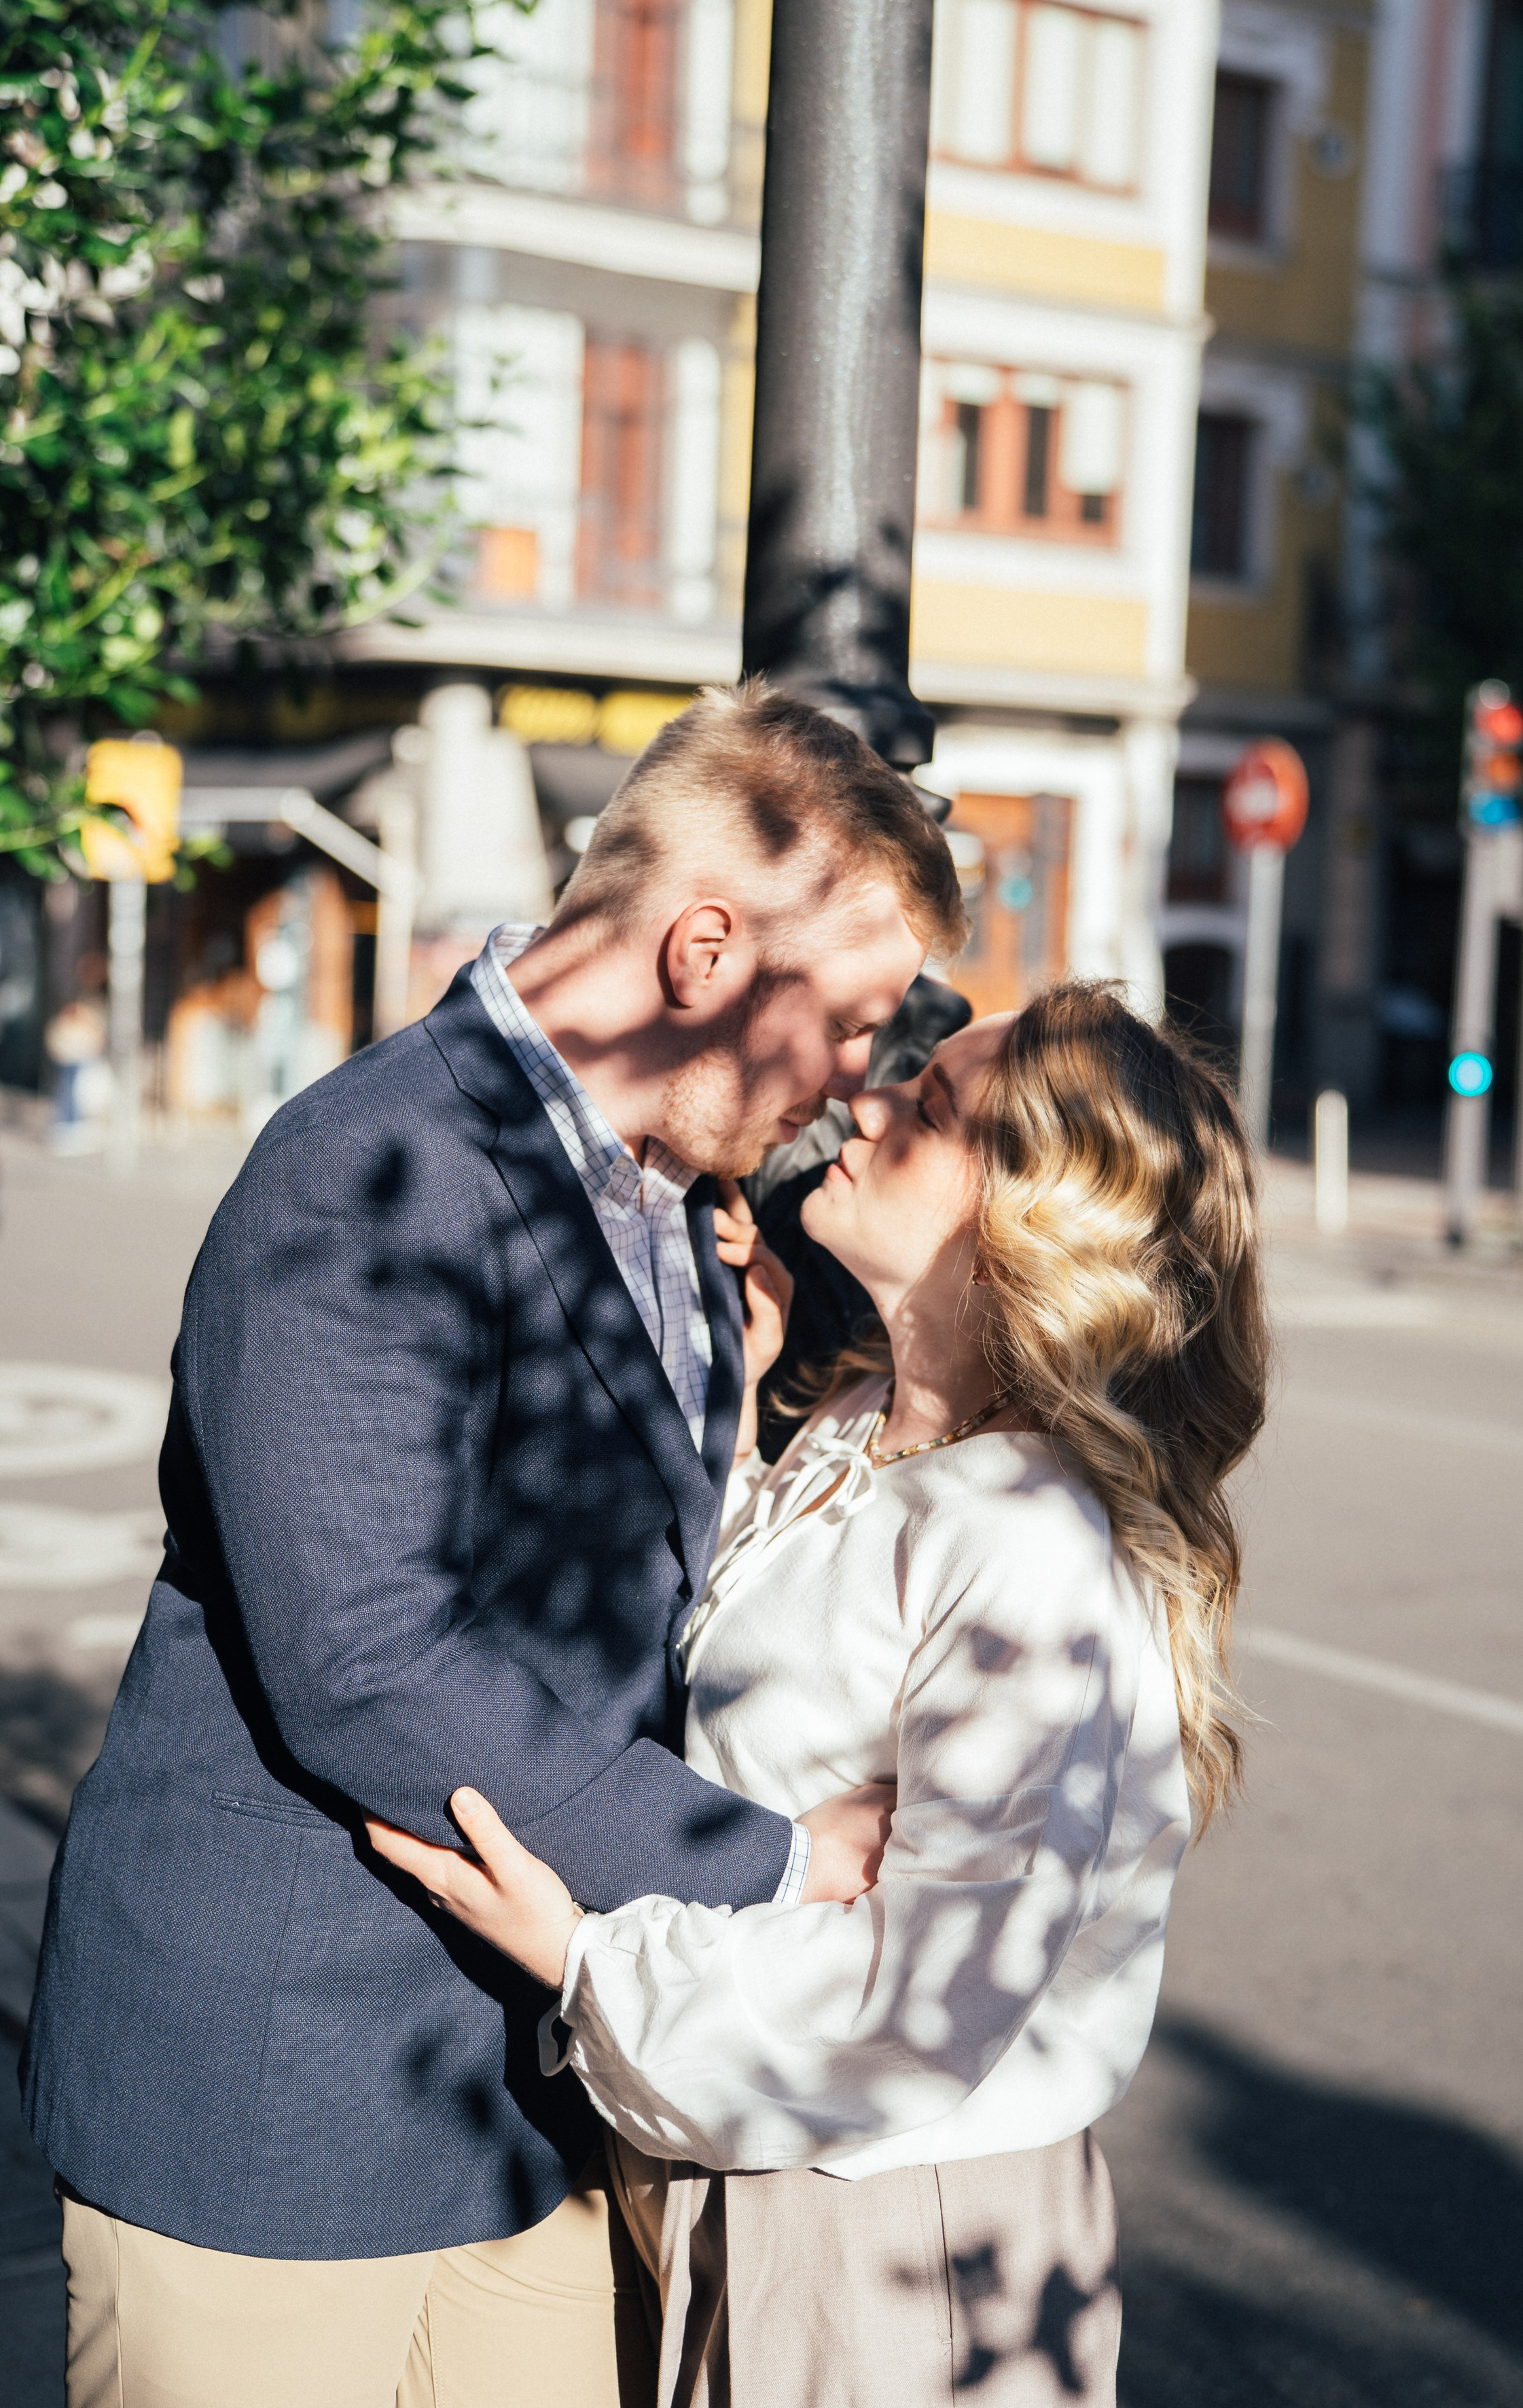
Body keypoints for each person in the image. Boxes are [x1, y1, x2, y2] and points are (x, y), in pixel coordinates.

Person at [21, 684, 965, 2408]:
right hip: (277, 2099)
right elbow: (365, 1660)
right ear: (701, 953)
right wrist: (772, 1861)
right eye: (847, 1025)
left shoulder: (671, 1190)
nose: (849, 1085)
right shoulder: (368, 1171)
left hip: (520, 2105)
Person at [370, 978, 1270, 2407]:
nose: (864, 1102)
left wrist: (580, 1957)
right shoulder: (864, 1424)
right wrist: (744, 1399)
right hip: (748, 2161)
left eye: (927, 1109)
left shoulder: (1026, 1541)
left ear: (1027, 1210)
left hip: (893, 2235)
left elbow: (924, 2002)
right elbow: (762, 1687)